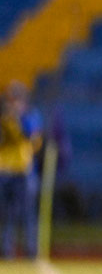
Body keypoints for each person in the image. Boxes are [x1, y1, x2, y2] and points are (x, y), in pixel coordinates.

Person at [1, 81, 44, 260]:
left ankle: (31, 250)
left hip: (23, 170)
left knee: (28, 213)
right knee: (5, 213)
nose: (13, 104)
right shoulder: (3, 119)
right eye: (11, 100)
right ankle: (5, 250)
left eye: (16, 100)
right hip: (4, 170)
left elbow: (32, 138)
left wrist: (18, 120)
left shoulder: (30, 116)